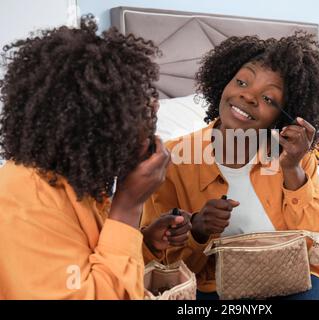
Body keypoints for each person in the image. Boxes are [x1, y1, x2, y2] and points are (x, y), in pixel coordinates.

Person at [0, 15, 191, 299]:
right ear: (87, 125)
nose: (153, 108)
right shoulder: (25, 201)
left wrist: (144, 242)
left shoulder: (78, 178)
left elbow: (84, 259)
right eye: (136, 106)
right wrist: (128, 206)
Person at [141, 32, 319, 299]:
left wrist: (292, 169)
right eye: (241, 81)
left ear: (285, 115)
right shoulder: (172, 159)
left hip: (291, 285)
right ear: (222, 82)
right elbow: (160, 267)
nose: (248, 97)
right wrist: (199, 230)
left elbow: (314, 246)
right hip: (212, 291)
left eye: (269, 99)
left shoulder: (298, 155)